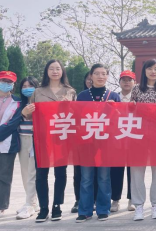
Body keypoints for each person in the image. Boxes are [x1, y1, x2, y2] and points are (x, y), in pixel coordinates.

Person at [25, 60, 77, 222]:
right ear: (46, 72)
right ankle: (43, 208)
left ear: (62, 71)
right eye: (51, 68)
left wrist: (70, 107)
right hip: (42, 137)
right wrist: (25, 112)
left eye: (58, 68)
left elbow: (76, 115)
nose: (55, 71)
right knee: (41, 173)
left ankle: (57, 206)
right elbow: (30, 114)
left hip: (61, 136)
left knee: (60, 173)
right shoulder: (38, 91)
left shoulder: (70, 91)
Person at [75, 64, 120, 222]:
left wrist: (115, 109)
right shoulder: (82, 96)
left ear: (107, 76)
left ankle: (103, 209)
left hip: (105, 143)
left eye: (103, 73)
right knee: (86, 178)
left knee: (104, 177)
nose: (100, 76)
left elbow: (120, 120)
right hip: (86, 142)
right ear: (91, 76)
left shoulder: (114, 96)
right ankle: (85, 210)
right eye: (97, 73)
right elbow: (77, 118)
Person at [130, 59, 156, 221]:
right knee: (137, 170)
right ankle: (138, 205)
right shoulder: (136, 88)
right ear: (144, 71)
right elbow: (131, 110)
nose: (153, 72)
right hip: (139, 135)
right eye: (150, 69)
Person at [15, 76, 39, 219]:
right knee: (25, 173)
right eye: (24, 86)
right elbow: (12, 121)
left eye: (30, 85)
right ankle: (32, 202)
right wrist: (22, 113)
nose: (27, 88)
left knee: (32, 173)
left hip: (36, 140)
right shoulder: (19, 104)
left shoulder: (40, 102)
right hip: (22, 140)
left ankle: (30, 204)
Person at [111, 70, 135, 212]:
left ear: (134, 82)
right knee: (116, 170)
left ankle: (132, 199)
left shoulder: (137, 98)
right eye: (124, 80)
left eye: (129, 80)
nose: (126, 82)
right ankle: (115, 199)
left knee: (133, 171)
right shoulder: (114, 97)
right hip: (117, 139)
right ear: (119, 82)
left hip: (134, 138)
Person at [72, 70, 96, 213]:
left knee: (100, 173)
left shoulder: (108, 96)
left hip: (100, 140)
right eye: (88, 79)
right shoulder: (81, 96)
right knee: (80, 173)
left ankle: (96, 201)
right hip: (82, 140)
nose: (90, 81)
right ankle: (79, 200)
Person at [0, 71, 23, 218]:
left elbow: (13, 123)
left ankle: (2, 205)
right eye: (3, 81)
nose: (6, 84)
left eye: (9, 82)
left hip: (7, 142)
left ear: (13, 84)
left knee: (4, 175)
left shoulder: (18, 102)